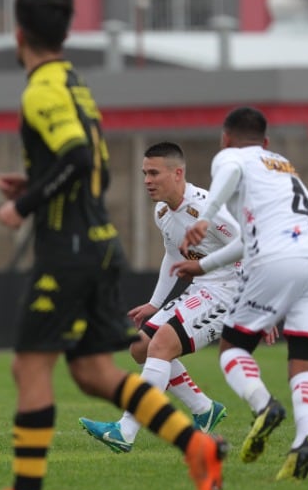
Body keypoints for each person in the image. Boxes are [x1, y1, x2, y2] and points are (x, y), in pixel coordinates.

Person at [0, 0, 227, 490]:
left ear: (18, 35)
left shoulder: (41, 89)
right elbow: (90, 164)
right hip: (98, 241)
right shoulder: (76, 86)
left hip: (70, 249)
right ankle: (196, 447)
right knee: (91, 371)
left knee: (29, 363)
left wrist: (27, 203)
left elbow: (79, 158)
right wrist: (36, 182)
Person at [177, 106, 308, 481]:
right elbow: (249, 238)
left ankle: (264, 405)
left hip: (277, 259)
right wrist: (202, 266)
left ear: (225, 138)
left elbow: (232, 169)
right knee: (304, 360)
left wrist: (206, 216)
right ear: (266, 142)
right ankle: (304, 439)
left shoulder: (231, 157)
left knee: (233, 347)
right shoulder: (282, 164)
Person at [78, 141, 238, 451]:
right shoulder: (162, 211)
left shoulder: (208, 208)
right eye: (144, 173)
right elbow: (170, 257)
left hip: (230, 291)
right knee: (141, 347)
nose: (147, 181)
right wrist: (155, 303)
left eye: (154, 173)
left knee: (161, 344)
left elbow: (250, 246)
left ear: (178, 174)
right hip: (202, 289)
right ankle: (204, 409)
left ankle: (125, 430)